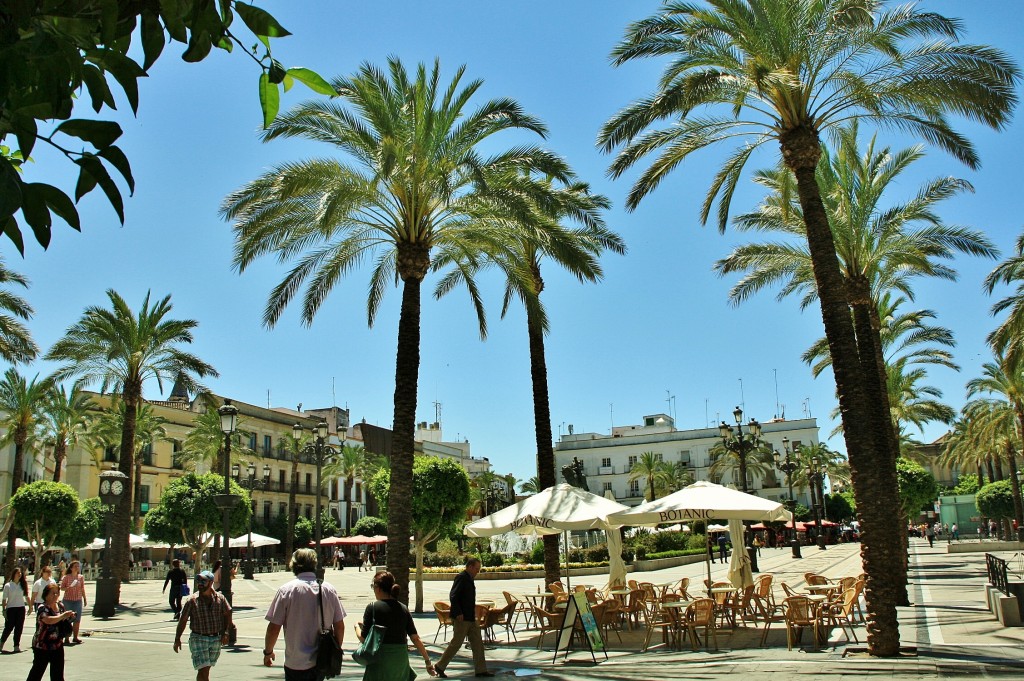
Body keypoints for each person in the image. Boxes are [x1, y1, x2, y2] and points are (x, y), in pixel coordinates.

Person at [263, 548, 346, 681]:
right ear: (314, 564)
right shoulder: (328, 589)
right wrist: (335, 650)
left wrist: (268, 652)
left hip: (295, 662)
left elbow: (274, 628)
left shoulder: (286, 590)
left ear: (294, 565)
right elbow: (339, 626)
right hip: (321, 660)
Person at [357, 570, 435, 680]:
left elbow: (363, 638)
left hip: (381, 660)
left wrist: (356, 627)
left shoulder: (373, 607)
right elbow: (415, 638)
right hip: (400, 661)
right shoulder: (403, 608)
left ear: (378, 588)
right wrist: (428, 662)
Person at [434, 557, 492, 678]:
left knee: (477, 643)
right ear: (470, 567)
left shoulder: (469, 579)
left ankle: (481, 670)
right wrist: (458, 612)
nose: (477, 571)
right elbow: (453, 596)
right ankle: (440, 666)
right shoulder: (461, 577)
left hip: (470, 617)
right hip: (462, 617)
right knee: (456, 643)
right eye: (476, 569)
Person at [173, 570, 232, 681]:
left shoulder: (220, 598)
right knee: (203, 668)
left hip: (215, 638)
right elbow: (183, 620)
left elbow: (227, 614)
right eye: (198, 580)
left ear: (210, 583)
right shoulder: (191, 601)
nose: (200, 583)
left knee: (206, 668)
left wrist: (226, 632)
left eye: (203, 581)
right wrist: (177, 638)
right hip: (198, 638)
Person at [26, 583, 74, 681]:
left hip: (57, 644)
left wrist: (69, 617)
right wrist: (62, 616)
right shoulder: (42, 607)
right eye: (53, 593)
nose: (55, 595)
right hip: (42, 645)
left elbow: (63, 621)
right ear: (46, 595)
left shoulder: (60, 606)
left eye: (57, 593)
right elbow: (47, 620)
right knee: (37, 673)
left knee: (58, 675)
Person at [1, 566, 29, 653]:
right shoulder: (8, 585)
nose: (19, 574)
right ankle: (1, 643)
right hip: (11, 609)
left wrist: (31, 606)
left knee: (19, 628)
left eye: (20, 573)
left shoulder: (22, 585)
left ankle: (16, 645)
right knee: (9, 627)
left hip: (21, 608)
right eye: (18, 573)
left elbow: (26, 596)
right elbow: (4, 599)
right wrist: (4, 610)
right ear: (14, 574)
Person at [58, 560, 86, 645]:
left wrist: (84, 598)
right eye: (75, 566)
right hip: (68, 600)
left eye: (78, 566)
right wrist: (68, 588)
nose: (77, 568)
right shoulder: (66, 577)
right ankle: (66, 637)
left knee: (77, 619)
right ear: (71, 568)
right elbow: (61, 588)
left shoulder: (80, 577)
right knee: (67, 619)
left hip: (77, 600)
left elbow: (82, 588)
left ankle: (75, 637)